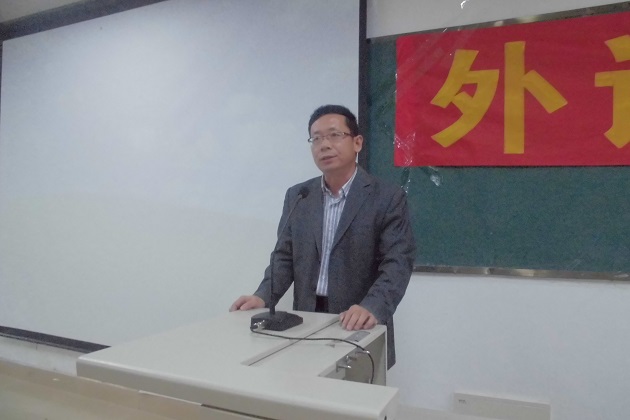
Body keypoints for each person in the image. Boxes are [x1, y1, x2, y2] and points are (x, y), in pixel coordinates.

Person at [230, 104, 415, 368]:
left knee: (355, 388)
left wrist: (372, 307)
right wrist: (262, 296)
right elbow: (284, 257)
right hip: (305, 319)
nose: (324, 145)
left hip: (356, 321)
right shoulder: (299, 196)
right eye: (316, 139)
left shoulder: (386, 197)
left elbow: (397, 263)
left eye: (334, 135)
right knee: (304, 383)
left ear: (357, 142)